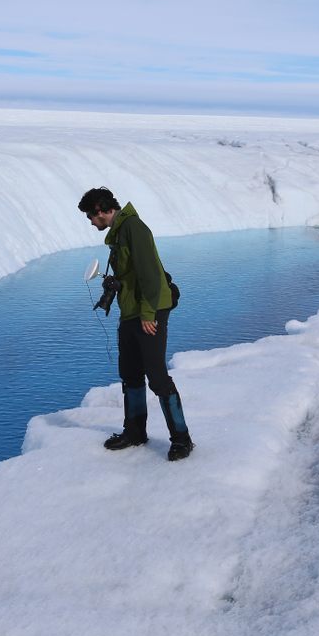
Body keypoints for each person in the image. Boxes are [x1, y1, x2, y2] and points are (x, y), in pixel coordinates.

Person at [78, 187, 193, 461]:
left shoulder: (134, 228)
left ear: (101, 210)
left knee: (156, 376)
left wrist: (148, 313)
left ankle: (182, 439)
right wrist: (117, 284)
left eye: (90, 217)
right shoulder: (119, 233)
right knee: (129, 372)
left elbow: (150, 273)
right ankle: (135, 432)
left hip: (149, 309)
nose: (91, 222)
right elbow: (132, 273)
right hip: (132, 310)